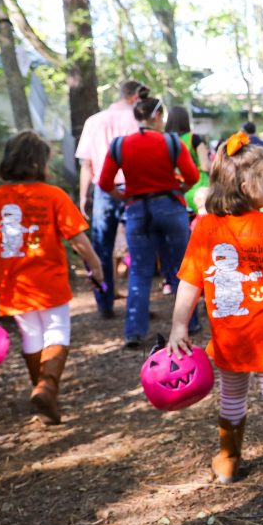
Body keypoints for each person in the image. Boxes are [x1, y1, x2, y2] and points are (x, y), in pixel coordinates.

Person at [166, 131, 263, 502]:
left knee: (232, 395)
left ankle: (228, 460)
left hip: (230, 332)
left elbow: (190, 283)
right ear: (246, 184)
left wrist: (178, 326)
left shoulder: (204, 228)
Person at [0, 130, 104, 424]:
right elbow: (79, 240)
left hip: (12, 284)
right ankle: (47, 388)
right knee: (56, 330)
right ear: (40, 163)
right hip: (49, 282)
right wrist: (96, 266)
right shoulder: (53, 195)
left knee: (31, 335)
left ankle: (43, 395)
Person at [98, 96, 200, 348]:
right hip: (171, 208)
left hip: (137, 212)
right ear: (157, 116)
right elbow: (192, 176)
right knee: (181, 268)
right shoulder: (171, 142)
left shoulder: (120, 145)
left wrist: (123, 196)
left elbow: (104, 183)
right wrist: (180, 189)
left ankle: (134, 330)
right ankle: (191, 323)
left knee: (140, 272)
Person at [74, 80, 144, 318]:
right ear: (135, 97)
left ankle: (105, 302)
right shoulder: (137, 120)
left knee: (102, 247)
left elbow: (86, 164)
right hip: (134, 188)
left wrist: (84, 195)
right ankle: (136, 308)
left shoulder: (94, 121)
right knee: (137, 247)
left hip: (103, 189)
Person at [164, 105, 211, 213]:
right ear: (186, 120)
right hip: (198, 190)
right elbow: (206, 166)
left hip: (173, 191)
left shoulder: (164, 140)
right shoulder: (193, 138)